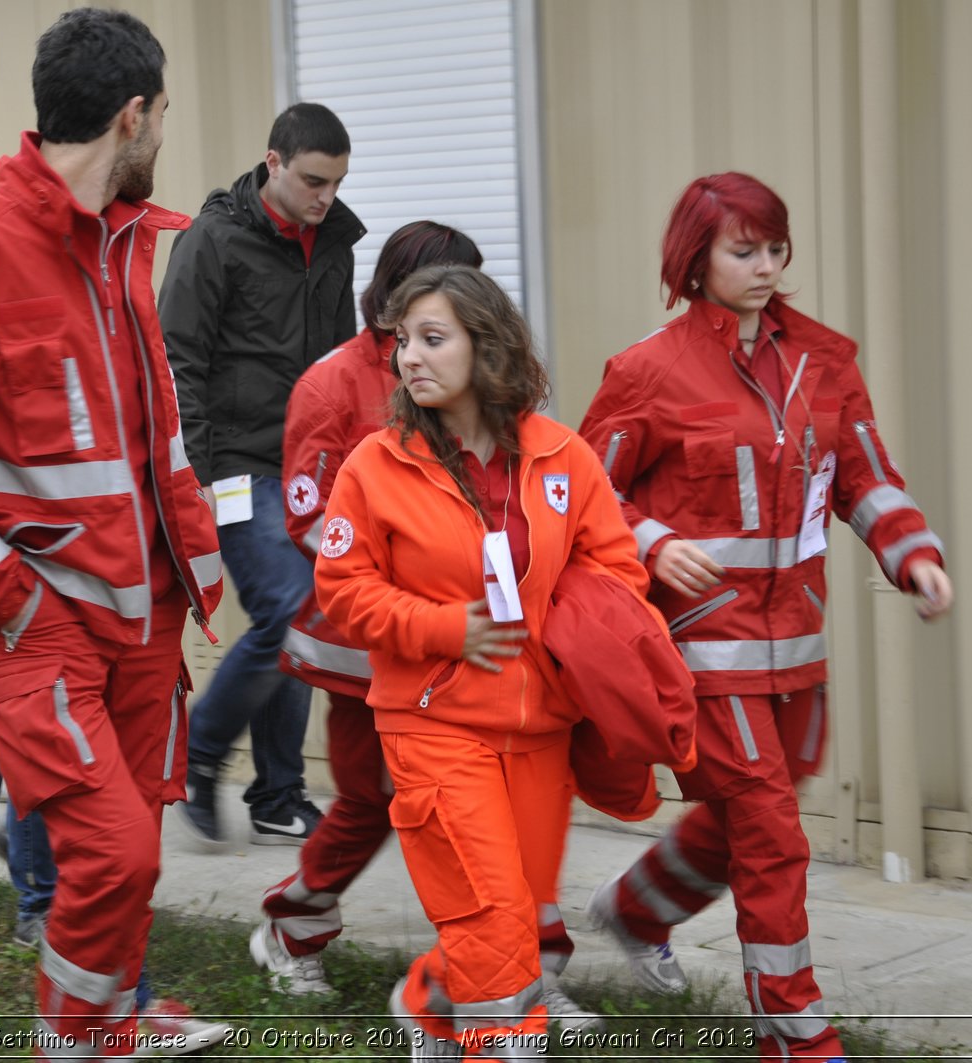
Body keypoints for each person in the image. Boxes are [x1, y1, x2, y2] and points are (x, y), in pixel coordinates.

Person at [0, 8, 227, 1055]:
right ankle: (73, 1038)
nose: (162, 136)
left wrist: (193, 560)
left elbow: (150, 433)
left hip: (146, 611)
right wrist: (0, 592)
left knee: (132, 856)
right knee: (114, 855)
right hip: (37, 616)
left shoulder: (126, 241)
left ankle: (103, 1035)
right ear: (133, 113)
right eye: (161, 117)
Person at [578, 172, 954, 1063]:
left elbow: (865, 475)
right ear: (694, 258)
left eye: (774, 247)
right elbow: (583, 492)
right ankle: (793, 1031)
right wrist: (653, 540)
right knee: (771, 829)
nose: (764, 264)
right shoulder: (648, 368)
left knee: (764, 802)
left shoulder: (825, 360)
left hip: (800, 638)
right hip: (710, 642)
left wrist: (914, 555)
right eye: (742, 249)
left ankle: (633, 910)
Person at [248, 221, 601, 1032]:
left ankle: (525, 971)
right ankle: (294, 927)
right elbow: (310, 516)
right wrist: (427, 585)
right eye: (421, 319)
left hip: (487, 656)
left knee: (513, 822)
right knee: (374, 803)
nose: (432, 342)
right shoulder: (333, 384)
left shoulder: (494, 399)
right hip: (366, 653)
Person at [314, 264, 652, 1061]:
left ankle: (432, 1005)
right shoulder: (374, 464)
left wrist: (578, 634)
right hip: (434, 725)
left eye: (433, 340)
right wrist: (442, 628)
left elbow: (616, 570)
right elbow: (341, 591)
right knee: (494, 918)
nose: (409, 359)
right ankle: (499, 1046)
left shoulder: (562, 454)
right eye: (403, 342)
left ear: (487, 348)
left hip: (540, 732)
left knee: (519, 916)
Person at [159, 102, 364, 848]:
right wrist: (200, 474)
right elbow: (177, 360)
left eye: (337, 184)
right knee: (288, 604)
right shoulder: (212, 240)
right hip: (238, 466)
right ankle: (204, 753)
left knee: (312, 615)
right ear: (272, 162)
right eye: (313, 181)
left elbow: (345, 363)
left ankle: (277, 792)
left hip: (313, 467)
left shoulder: (334, 241)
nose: (325, 198)